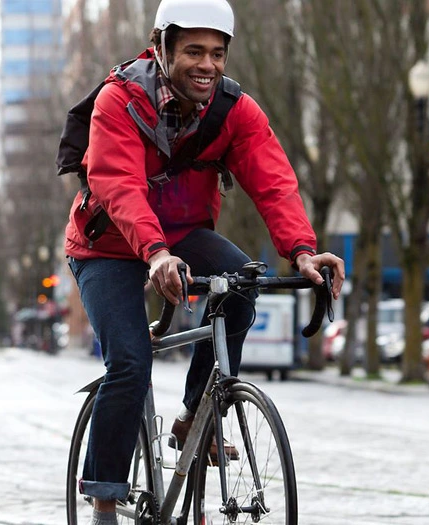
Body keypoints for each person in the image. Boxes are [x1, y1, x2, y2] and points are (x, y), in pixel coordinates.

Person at [62, 1, 346, 523]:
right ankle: (104, 500)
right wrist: (155, 252)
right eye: (194, 50)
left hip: (183, 235)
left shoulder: (235, 110)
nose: (207, 65)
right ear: (162, 46)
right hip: (107, 247)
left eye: (217, 53)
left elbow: (273, 181)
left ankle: (194, 416)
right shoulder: (118, 102)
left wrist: (303, 251)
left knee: (242, 288)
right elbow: (119, 186)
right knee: (128, 362)